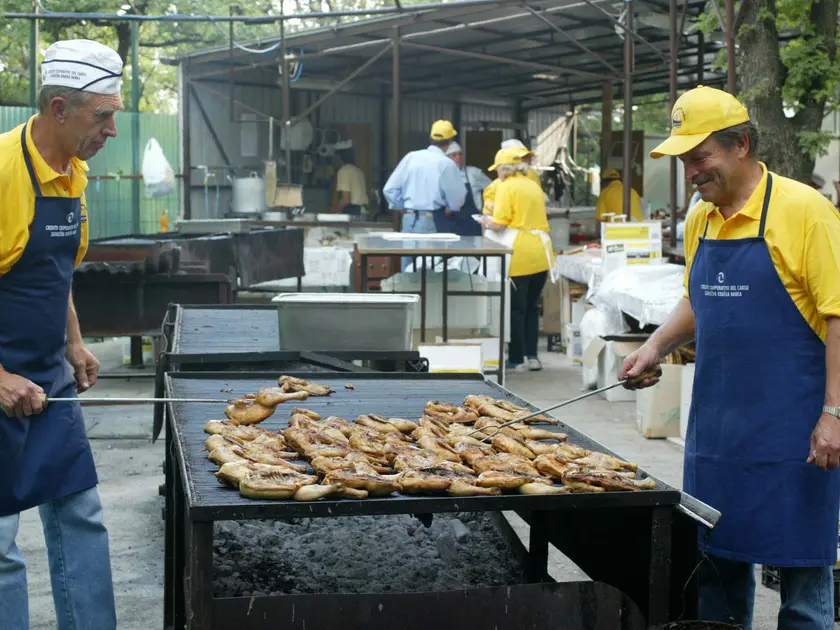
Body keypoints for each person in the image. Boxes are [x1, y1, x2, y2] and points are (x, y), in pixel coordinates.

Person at [619, 85, 840, 630]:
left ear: (741, 144)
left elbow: (839, 315)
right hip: (717, 433)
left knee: (803, 576)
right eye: (685, 161)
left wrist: (834, 414)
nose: (692, 173)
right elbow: (697, 298)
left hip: (797, 434)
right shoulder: (701, 218)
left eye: (700, 157)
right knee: (717, 571)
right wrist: (653, 348)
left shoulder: (805, 210)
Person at [0, 39, 122, 629]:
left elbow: (55, 270)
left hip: (47, 372)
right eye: (103, 116)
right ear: (58, 109)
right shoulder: (2, 174)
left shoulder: (72, 172)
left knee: (81, 515)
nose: (113, 130)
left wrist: (72, 341)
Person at [481, 147, 555, 373]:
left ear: (504, 169)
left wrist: (485, 221)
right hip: (542, 252)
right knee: (533, 307)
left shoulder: (506, 187)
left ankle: (515, 358)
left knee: (516, 308)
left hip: (520, 253)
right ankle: (533, 356)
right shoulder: (533, 184)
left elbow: (500, 223)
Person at [383, 120, 466, 270]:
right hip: (432, 220)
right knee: (429, 269)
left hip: (408, 220)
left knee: (408, 268)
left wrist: (404, 207)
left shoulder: (411, 157)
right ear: (450, 141)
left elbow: (389, 190)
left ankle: (407, 293)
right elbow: (458, 199)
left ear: (431, 138)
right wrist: (451, 207)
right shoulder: (446, 164)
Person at [437, 140, 492, 236]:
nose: (458, 157)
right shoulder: (439, 175)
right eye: (453, 155)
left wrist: (488, 210)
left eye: (460, 154)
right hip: (447, 226)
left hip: (470, 225)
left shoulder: (474, 173)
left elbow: (494, 190)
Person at [329, 147, 369, 216]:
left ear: (339, 158)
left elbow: (345, 200)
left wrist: (335, 210)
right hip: (363, 210)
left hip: (354, 211)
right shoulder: (358, 171)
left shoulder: (344, 171)